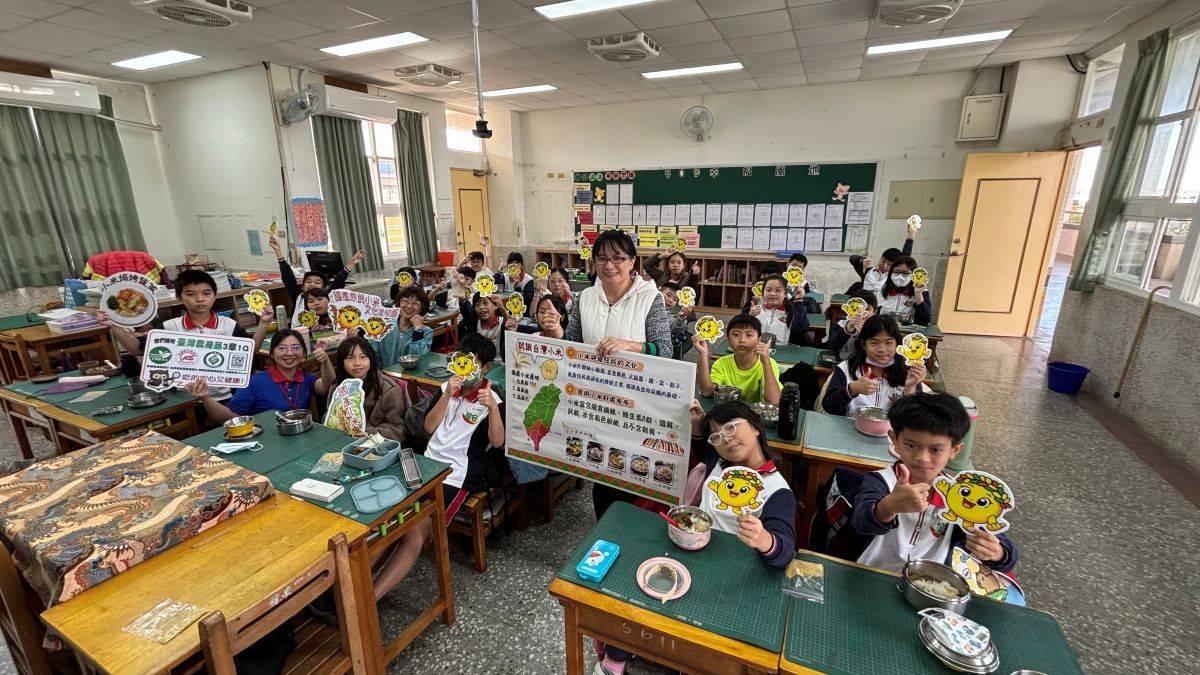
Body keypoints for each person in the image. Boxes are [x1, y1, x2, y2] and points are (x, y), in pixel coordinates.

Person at [593, 401, 795, 675]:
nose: (727, 439)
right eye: (718, 437)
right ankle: (616, 651)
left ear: (756, 427)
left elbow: (784, 551)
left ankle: (646, 654)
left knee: (674, 610)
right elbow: (702, 445)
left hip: (732, 576)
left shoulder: (776, 491)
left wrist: (763, 539)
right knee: (634, 578)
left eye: (732, 427)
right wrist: (700, 424)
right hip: (692, 550)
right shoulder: (719, 463)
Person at [565, 230, 672, 519]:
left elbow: (665, 351)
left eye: (617, 258)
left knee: (636, 475)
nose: (609, 265)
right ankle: (607, 536)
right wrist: (553, 334)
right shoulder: (584, 298)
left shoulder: (650, 299)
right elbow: (570, 345)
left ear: (632, 262)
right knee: (602, 474)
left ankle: (637, 543)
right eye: (601, 258)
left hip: (636, 404)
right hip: (595, 402)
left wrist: (630, 346)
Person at [850, 392, 1018, 574]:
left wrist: (998, 553)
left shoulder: (962, 495)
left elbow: (1005, 552)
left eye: (936, 449)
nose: (922, 458)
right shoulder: (881, 481)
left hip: (934, 583)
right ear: (895, 440)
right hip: (873, 573)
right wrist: (888, 507)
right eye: (911, 445)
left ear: (954, 450)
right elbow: (860, 523)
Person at [317, 336, 427, 600]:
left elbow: (399, 431)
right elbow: (330, 421)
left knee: (382, 514)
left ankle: (359, 586)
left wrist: (366, 432)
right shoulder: (338, 388)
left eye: (363, 357)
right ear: (341, 362)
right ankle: (339, 579)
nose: (357, 363)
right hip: (345, 455)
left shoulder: (387, 387)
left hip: (380, 457)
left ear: (372, 359)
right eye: (350, 357)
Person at [101, 269, 272, 402]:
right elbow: (137, 348)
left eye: (206, 293)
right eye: (191, 294)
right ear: (179, 298)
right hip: (185, 399)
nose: (199, 299)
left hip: (226, 397)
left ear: (214, 296)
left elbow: (249, 351)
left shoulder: (229, 324)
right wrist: (115, 326)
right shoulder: (169, 327)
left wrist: (263, 323)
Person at [423, 334, 507, 521]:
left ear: (486, 368)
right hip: (428, 464)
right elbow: (429, 428)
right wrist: (446, 395)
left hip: (459, 475)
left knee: (425, 523)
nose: (463, 369)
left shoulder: (493, 400)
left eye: (470, 364)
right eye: (460, 361)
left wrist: (492, 408)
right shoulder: (447, 387)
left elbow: (497, 442)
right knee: (400, 516)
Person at [188, 330, 317, 421]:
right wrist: (206, 398)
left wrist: (325, 361)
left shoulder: (306, 377)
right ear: (271, 354)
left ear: (304, 352)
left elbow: (326, 386)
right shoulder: (254, 382)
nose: (289, 353)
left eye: (295, 348)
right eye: (282, 348)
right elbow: (229, 417)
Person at [821, 314, 928, 416]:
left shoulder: (908, 373)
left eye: (888, 343)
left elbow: (915, 418)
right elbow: (828, 406)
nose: (881, 349)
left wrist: (910, 387)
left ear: (897, 345)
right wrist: (852, 389)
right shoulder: (846, 368)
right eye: (874, 343)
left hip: (890, 433)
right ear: (863, 345)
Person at [694, 314, 782, 405]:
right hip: (727, 413)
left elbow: (774, 401)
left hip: (754, 416)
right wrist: (703, 355)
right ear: (728, 339)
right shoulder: (721, 363)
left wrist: (766, 362)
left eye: (749, 335)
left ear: (759, 339)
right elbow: (706, 392)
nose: (742, 340)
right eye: (736, 334)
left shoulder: (769, 363)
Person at [269, 234, 364, 302]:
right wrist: (278, 251)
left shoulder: (327, 296)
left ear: (323, 288)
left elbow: (338, 280)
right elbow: (287, 276)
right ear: (302, 287)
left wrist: (352, 263)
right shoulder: (297, 296)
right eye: (308, 282)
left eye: (317, 282)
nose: (312, 284)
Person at [741, 274, 813, 346]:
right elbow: (742, 331)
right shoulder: (755, 310)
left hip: (784, 352)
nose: (772, 293)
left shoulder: (792, 310)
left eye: (778, 290)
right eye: (768, 290)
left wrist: (799, 299)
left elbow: (801, 328)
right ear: (763, 293)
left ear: (785, 294)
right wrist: (750, 316)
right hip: (758, 350)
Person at [851, 221, 918, 294]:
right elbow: (852, 258)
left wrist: (910, 237)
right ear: (881, 258)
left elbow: (905, 259)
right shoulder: (867, 270)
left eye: (889, 264)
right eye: (883, 261)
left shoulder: (894, 278)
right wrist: (862, 260)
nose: (884, 265)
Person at [373, 285, 433, 367]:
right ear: (399, 303)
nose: (408, 306)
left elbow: (419, 358)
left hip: (410, 377)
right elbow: (372, 353)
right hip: (385, 376)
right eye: (405, 301)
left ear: (421, 308)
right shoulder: (383, 325)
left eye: (414, 303)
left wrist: (417, 330)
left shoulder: (426, 332)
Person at [824, 289, 878, 361]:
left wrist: (862, 337)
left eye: (867, 309)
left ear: (875, 311)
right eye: (855, 308)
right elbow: (830, 347)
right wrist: (848, 329)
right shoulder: (841, 324)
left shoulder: (877, 329)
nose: (861, 313)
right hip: (840, 362)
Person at [877, 256, 932, 326]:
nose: (900, 276)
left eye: (905, 273)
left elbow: (925, 320)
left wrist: (918, 295)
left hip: (908, 332)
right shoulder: (882, 290)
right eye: (896, 272)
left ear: (913, 275)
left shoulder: (922, 292)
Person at [460, 293, 515, 358]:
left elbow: (509, 326)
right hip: (479, 363)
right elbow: (466, 309)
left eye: (485, 303)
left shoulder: (502, 322)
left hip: (500, 363)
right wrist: (463, 299)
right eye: (477, 305)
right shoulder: (474, 322)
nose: (481, 307)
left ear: (495, 306)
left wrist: (502, 308)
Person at [660, 282, 696, 359]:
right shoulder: (646, 306)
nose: (670, 300)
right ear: (659, 292)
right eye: (668, 295)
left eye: (675, 299)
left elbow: (676, 330)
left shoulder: (670, 316)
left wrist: (681, 317)